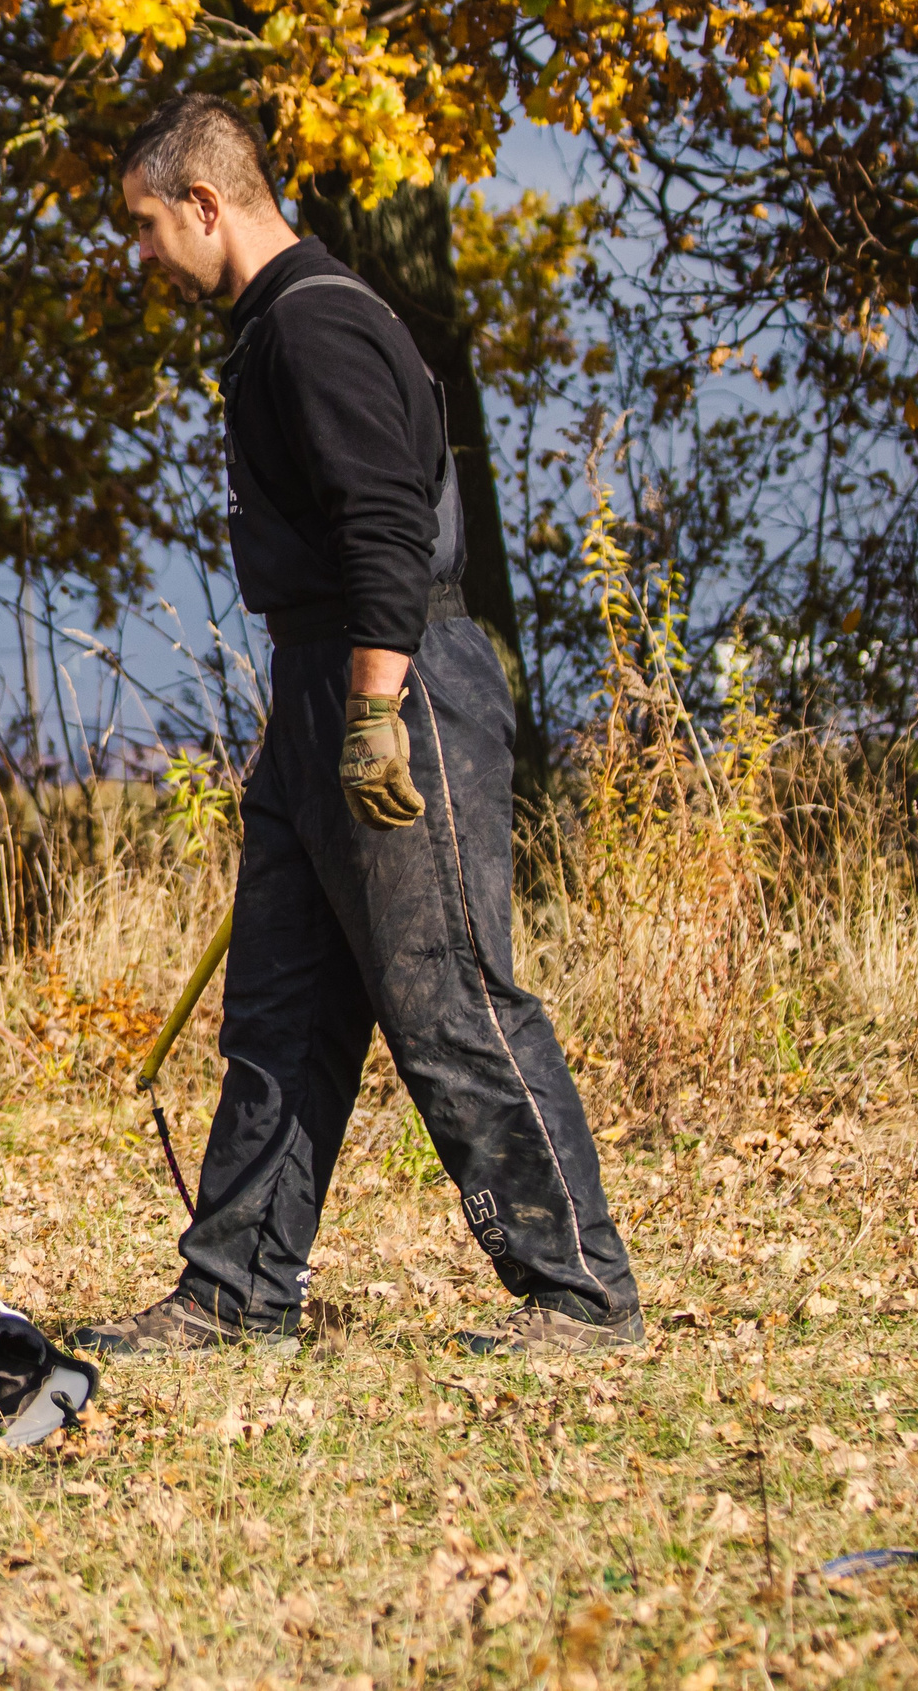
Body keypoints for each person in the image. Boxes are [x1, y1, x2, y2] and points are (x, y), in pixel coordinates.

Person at [81, 95, 642, 1356]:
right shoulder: (285, 323)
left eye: (145, 222)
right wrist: (310, 723)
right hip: (321, 685)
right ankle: (233, 1291)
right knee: (280, 1006)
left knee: (444, 991)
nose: (141, 251)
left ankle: (578, 1292)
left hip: (397, 684)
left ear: (206, 205)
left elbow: (388, 526)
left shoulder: (315, 325)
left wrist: (378, 710)